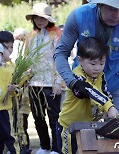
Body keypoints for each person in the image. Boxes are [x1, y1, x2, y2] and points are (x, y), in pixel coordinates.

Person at [57, 37, 118, 154]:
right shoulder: (77, 76)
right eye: (93, 63)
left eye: (102, 63)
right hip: (69, 127)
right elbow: (90, 91)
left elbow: (104, 93)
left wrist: (107, 108)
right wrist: (108, 106)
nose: (97, 68)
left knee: (90, 151)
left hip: (89, 126)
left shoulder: (101, 75)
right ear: (80, 60)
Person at [54, 0, 119, 109]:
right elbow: (61, 53)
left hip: (115, 86)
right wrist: (72, 82)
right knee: (76, 124)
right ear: (99, 4)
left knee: (115, 124)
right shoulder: (78, 16)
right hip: (81, 86)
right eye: (112, 8)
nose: (116, 15)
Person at [25, 3, 64, 154]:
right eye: (36, 17)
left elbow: (60, 59)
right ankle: (44, 146)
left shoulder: (57, 34)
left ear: (49, 19)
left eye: (43, 18)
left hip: (50, 83)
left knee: (54, 116)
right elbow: (27, 58)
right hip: (33, 83)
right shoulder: (30, 36)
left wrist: (58, 82)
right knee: (37, 117)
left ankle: (56, 148)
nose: (39, 20)